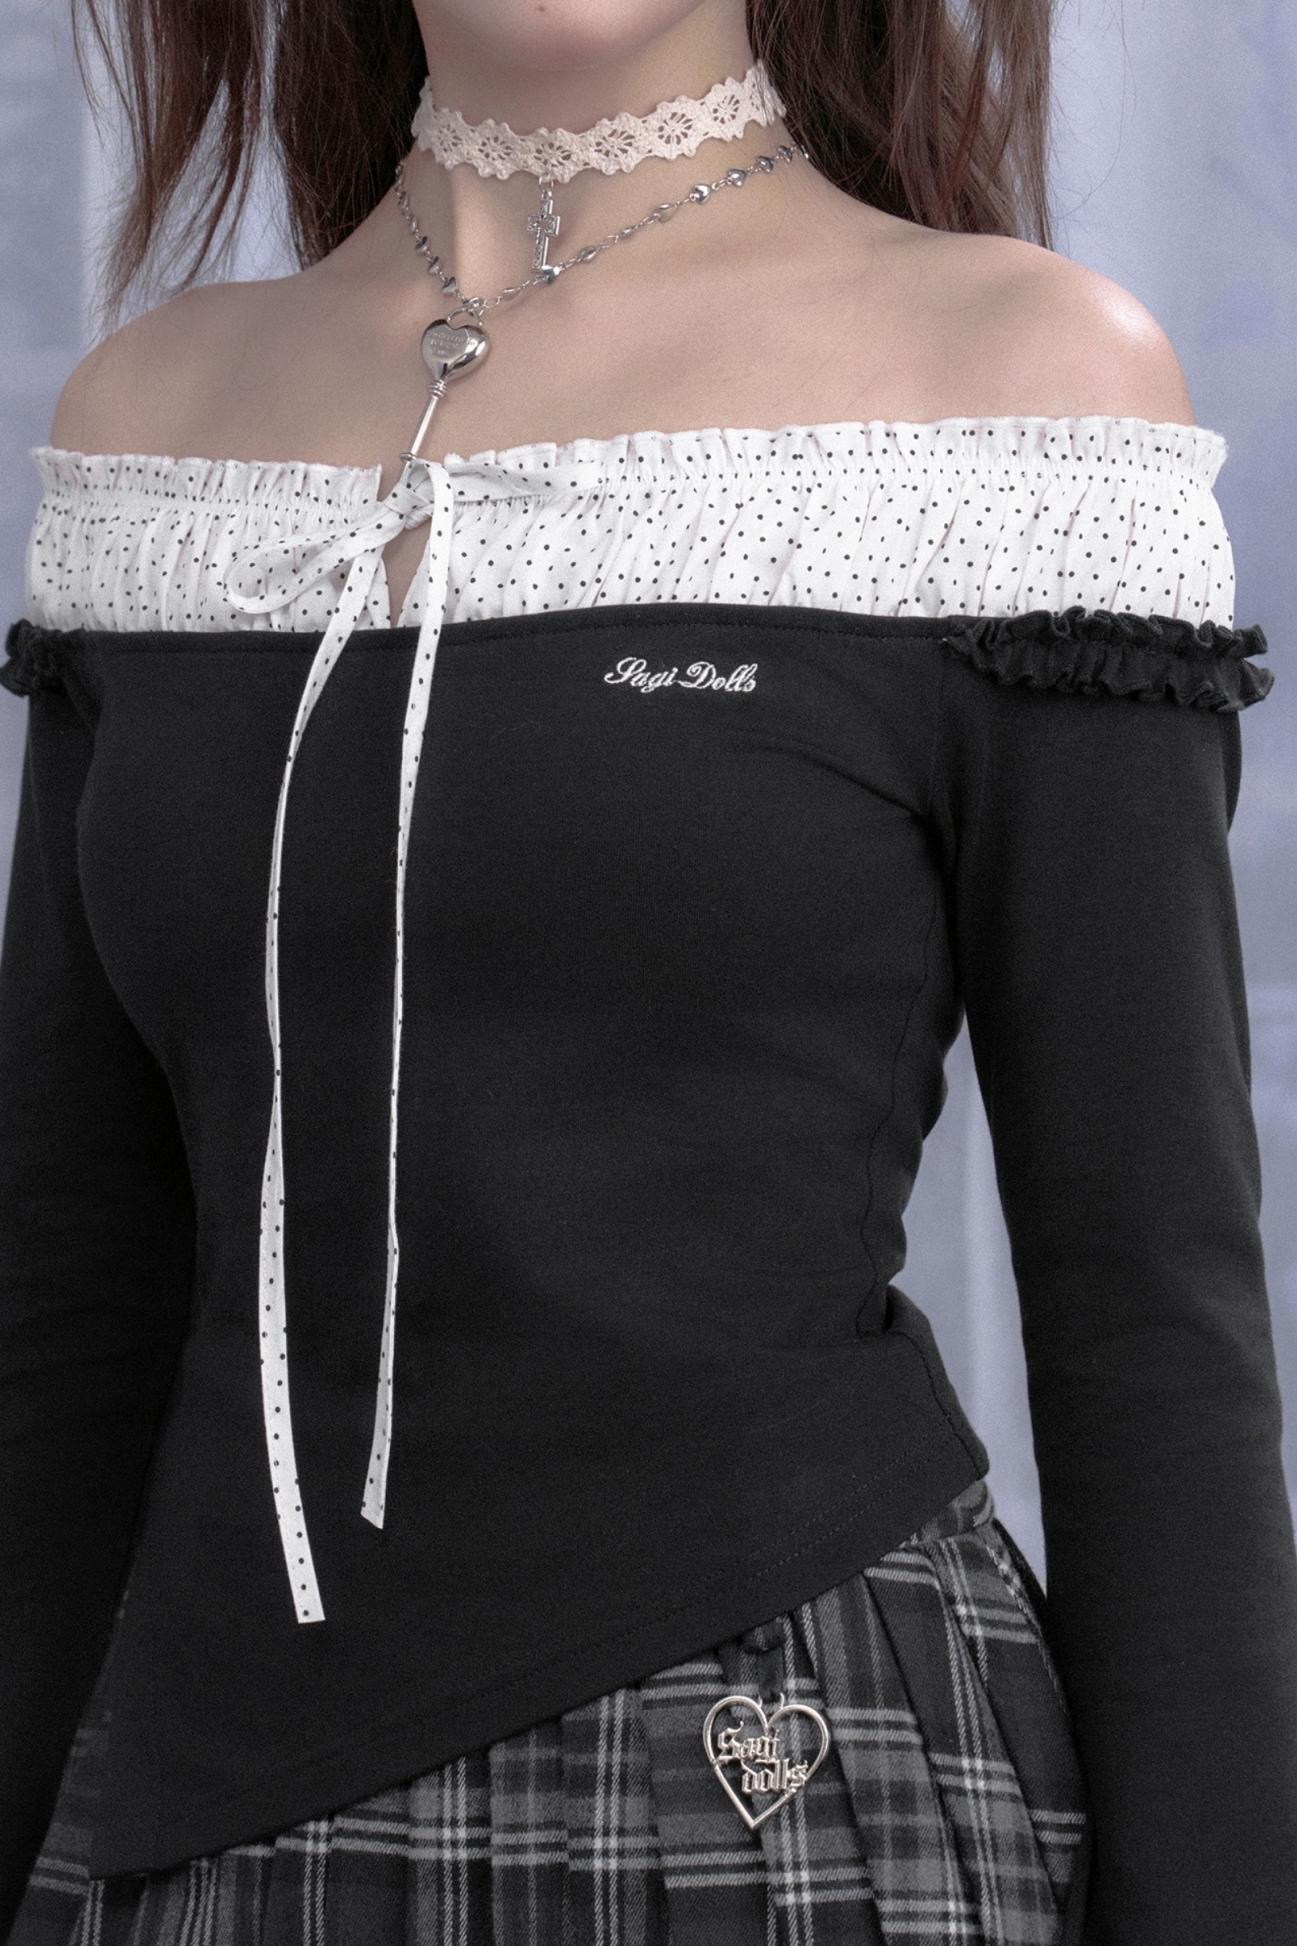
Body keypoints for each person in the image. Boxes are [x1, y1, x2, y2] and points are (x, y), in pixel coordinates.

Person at [2, 1, 1295, 1942]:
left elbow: (1149, 1311)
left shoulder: (1019, 391)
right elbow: (65, 1307)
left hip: (794, 1782)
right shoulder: (151, 428)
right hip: (201, 1809)